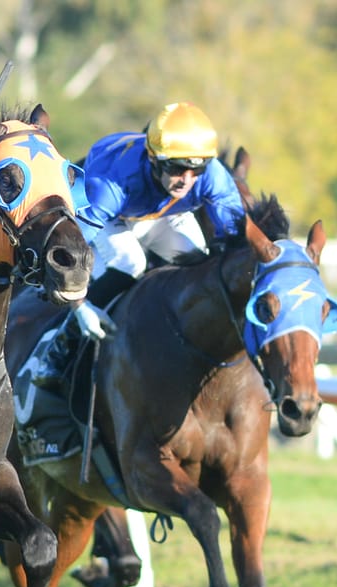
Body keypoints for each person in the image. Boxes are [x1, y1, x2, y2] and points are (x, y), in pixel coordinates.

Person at [31, 101, 246, 387]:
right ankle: (59, 346)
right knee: (131, 261)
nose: (187, 180)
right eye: (178, 168)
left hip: (165, 212)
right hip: (114, 214)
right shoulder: (113, 183)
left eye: (197, 170)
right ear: (154, 159)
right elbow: (74, 248)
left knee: (199, 262)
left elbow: (234, 238)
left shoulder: (213, 176)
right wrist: (79, 307)